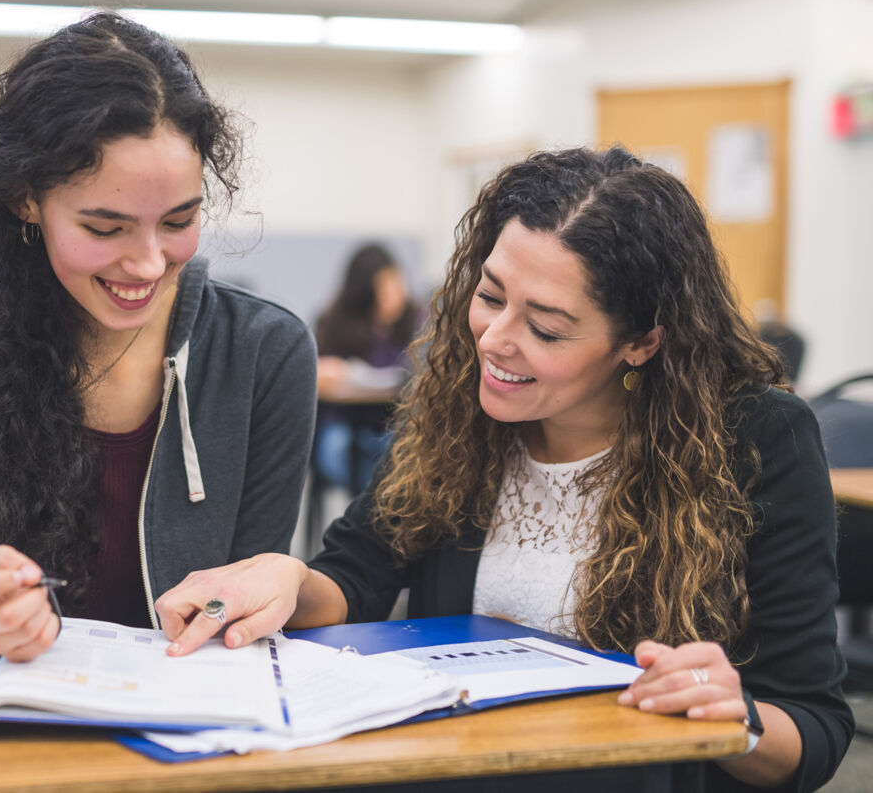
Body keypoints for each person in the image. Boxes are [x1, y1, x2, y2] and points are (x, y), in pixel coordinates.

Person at [157, 147, 852, 791]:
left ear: (641, 341)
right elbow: (357, 575)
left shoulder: (754, 440)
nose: (493, 339)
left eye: (545, 328)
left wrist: (734, 717)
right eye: (490, 296)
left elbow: (814, 728)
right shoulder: (458, 406)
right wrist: (291, 579)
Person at [0, 12, 316, 663]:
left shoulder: (263, 353)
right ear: (27, 200)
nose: (146, 263)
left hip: (181, 722)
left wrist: (254, 596)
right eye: (105, 226)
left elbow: (250, 585)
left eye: (178, 220)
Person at [312, 242, 419, 492]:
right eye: (383, 288)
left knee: (400, 449)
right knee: (343, 448)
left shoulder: (416, 322)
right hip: (342, 424)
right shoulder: (335, 322)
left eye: (396, 284)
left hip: (390, 424)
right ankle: (370, 516)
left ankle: (375, 515)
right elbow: (315, 372)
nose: (393, 295)